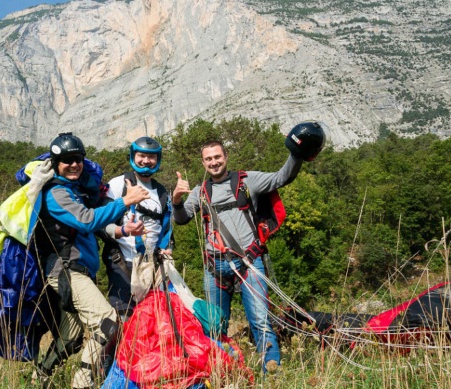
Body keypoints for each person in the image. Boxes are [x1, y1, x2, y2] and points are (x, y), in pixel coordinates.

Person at [171, 122, 325, 373]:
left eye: (217, 157)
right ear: (203, 163)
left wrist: (296, 154)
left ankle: (271, 368)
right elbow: (182, 218)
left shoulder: (247, 181)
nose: (213, 162)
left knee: (260, 320)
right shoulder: (200, 192)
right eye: (208, 159)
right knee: (214, 325)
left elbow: (281, 177)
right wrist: (176, 199)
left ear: (226, 157)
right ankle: (220, 370)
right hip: (215, 267)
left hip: (249, 262)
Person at [32, 132, 150, 388]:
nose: (73, 164)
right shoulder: (56, 194)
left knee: (70, 337)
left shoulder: (76, 192)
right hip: (65, 271)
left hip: (80, 272)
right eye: (66, 160)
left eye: (77, 159)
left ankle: (38, 379)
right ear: (55, 163)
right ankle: (83, 383)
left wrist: (122, 231)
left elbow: (94, 226)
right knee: (107, 323)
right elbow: (86, 219)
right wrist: (125, 201)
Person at [101, 136, 173, 321]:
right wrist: (123, 230)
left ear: (158, 159)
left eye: (151, 157)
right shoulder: (118, 184)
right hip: (123, 261)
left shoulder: (162, 191)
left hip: (152, 264)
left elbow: (165, 228)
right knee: (124, 318)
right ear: (133, 156)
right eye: (142, 155)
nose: (146, 161)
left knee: (153, 319)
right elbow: (100, 223)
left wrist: (168, 247)